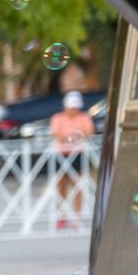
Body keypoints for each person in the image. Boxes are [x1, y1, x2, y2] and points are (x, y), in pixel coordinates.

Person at [50, 91, 96, 227]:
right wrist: (74, 136)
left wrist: (72, 137)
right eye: (71, 107)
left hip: (77, 154)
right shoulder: (58, 118)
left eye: (75, 107)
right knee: (61, 185)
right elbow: (57, 134)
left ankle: (77, 216)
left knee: (77, 185)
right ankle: (62, 215)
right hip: (61, 153)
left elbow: (89, 133)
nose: (73, 110)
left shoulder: (84, 117)